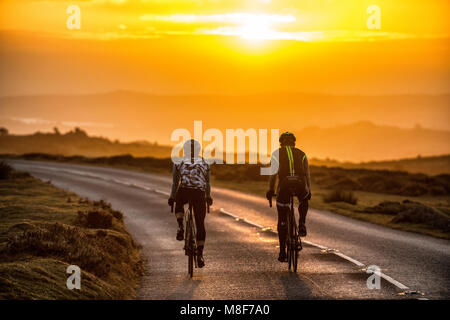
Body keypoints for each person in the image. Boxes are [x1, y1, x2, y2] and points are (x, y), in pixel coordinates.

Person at [266, 132, 311, 262]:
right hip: (300, 183)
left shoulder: (276, 154)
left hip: (284, 185)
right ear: (294, 143)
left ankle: (282, 252)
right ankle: (302, 223)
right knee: (304, 199)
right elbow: (307, 174)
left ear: (281, 143)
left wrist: (270, 190)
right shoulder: (302, 154)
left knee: (282, 217)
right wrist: (309, 190)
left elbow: (273, 175)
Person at [168, 139, 213, 268]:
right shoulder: (205, 162)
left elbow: (175, 183)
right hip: (199, 193)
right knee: (200, 224)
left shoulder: (178, 162)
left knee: (179, 203)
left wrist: (172, 197)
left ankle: (180, 225)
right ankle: (200, 254)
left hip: (184, 190)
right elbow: (207, 183)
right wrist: (208, 196)